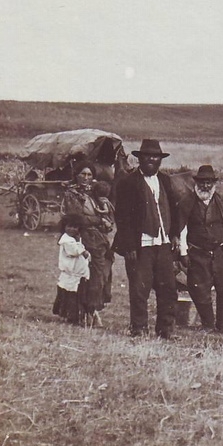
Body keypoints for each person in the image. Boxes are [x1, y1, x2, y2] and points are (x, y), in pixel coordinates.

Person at [112, 139, 181, 340]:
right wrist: (129, 246)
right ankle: (139, 328)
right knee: (139, 289)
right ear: (140, 159)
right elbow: (122, 217)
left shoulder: (165, 181)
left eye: (155, 157)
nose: (151, 160)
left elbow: (174, 209)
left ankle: (166, 329)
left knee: (168, 288)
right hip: (140, 245)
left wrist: (174, 234)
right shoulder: (128, 182)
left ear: (160, 160)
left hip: (163, 243)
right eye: (147, 156)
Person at [177, 165, 223, 333]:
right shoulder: (187, 202)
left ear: (213, 184)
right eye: (202, 182)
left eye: (209, 182)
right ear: (196, 183)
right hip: (198, 253)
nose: (205, 186)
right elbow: (181, 229)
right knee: (199, 289)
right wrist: (183, 252)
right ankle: (207, 323)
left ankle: (222, 324)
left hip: (221, 252)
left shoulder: (222, 201)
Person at [61, 161, 110, 328]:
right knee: (81, 277)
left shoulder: (95, 193)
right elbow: (77, 218)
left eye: (89, 174)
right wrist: (99, 220)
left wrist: (106, 221)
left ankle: (92, 311)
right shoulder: (71, 194)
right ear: (76, 175)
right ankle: (81, 313)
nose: (86, 177)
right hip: (80, 239)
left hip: (98, 239)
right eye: (83, 174)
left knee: (98, 276)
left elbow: (107, 212)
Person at [52, 215, 90, 326]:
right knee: (70, 295)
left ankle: (76, 316)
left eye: (75, 227)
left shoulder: (76, 239)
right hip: (70, 273)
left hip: (77, 273)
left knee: (76, 295)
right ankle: (70, 316)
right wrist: (83, 251)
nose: (71, 229)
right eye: (69, 226)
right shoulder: (66, 240)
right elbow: (74, 251)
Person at [92, 179, 116, 306]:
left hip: (104, 231)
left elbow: (105, 211)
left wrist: (98, 212)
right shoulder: (106, 200)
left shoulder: (103, 202)